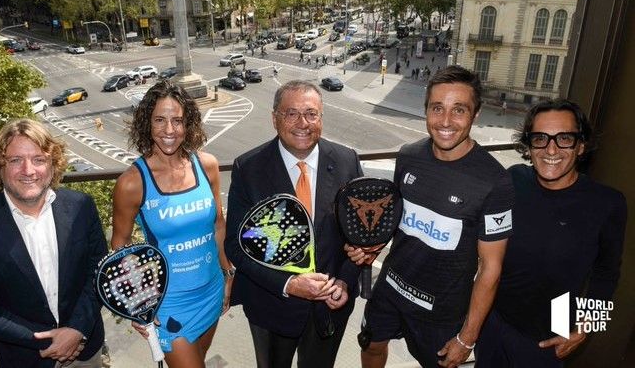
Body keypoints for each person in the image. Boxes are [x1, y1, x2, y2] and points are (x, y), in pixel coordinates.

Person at [350, 66, 514, 368]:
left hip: (441, 311)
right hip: (390, 289)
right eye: (437, 108)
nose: (446, 121)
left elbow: (491, 267)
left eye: (459, 110)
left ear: (475, 114)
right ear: (425, 110)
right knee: (371, 346)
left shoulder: (495, 182)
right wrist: (370, 245)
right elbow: (397, 222)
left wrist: (467, 337)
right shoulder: (408, 155)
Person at [475, 100, 627, 367]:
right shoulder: (515, 179)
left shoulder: (607, 203)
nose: (551, 149)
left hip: (550, 333)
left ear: (581, 146)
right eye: (540, 138)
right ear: (529, 145)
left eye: (564, 138)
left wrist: (585, 327)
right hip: (495, 320)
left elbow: (607, 272)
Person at [225, 80, 364, 368]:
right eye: (291, 114)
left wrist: (345, 281)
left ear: (321, 118)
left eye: (311, 114)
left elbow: (361, 235)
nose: (303, 123)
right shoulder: (247, 168)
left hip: (331, 305)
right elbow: (236, 247)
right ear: (274, 118)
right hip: (272, 306)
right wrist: (290, 283)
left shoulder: (347, 161)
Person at [0, 118, 107, 367]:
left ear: (52, 164)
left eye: (38, 159)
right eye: (15, 160)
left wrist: (77, 329)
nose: (28, 170)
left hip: (84, 349)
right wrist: (47, 340)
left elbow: (98, 274)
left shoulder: (81, 207)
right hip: (26, 358)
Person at [110, 80, 234, 367]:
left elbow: (218, 224)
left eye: (177, 120)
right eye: (160, 120)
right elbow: (120, 247)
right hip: (169, 304)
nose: (169, 130)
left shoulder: (207, 165)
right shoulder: (131, 183)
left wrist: (228, 273)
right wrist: (137, 304)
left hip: (212, 290)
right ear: (146, 123)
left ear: (188, 123)